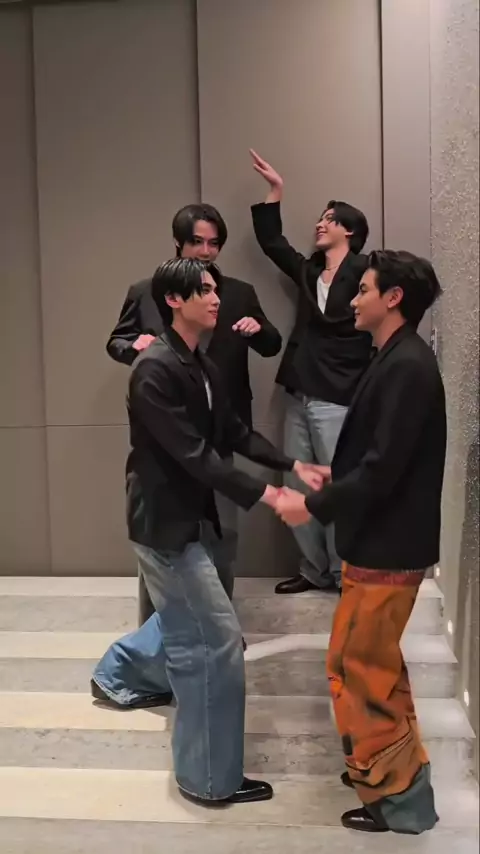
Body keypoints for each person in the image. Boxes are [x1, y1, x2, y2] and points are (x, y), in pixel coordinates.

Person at [92, 258, 324, 805]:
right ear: (173, 301)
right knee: (214, 642)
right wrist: (272, 496)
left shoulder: (200, 361)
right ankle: (209, 781)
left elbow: (234, 433)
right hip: (163, 526)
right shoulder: (153, 369)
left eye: (215, 288)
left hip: (189, 519)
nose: (215, 297)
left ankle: (117, 674)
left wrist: (293, 465)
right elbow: (194, 455)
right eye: (202, 290)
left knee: (191, 627)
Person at [276, 250, 445, 834]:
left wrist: (311, 504)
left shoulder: (408, 365)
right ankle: (393, 775)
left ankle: (398, 799)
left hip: (388, 547)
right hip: (381, 543)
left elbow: (383, 468)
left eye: (364, 289)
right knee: (368, 667)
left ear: (393, 298)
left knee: (362, 672)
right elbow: (378, 457)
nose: (353, 298)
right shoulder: (397, 357)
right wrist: (336, 477)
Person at [107, 203, 282, 626]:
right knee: (162, 543)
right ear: (178, 243)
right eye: (197, 242)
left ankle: (219, 626)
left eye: (214, 243)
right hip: (167, 437)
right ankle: (156, 634)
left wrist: (259, 330)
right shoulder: (146, 291)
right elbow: (117, 341)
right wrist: (134, 346)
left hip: (221, 432)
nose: (206, 251)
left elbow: (272, 343)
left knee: (221, 537)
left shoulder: (237, 293)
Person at [250, 150, 373, 594]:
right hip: (299, 388)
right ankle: (314, 569)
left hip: (339, 391)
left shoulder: (367, 270)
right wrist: (275, 191)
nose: (320, 224)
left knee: (335, 484)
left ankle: (344, 572)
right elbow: (272, 242)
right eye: (321, 218)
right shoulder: (308, 271)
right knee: (296, 480)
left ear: (349, 230)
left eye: (329, 219)